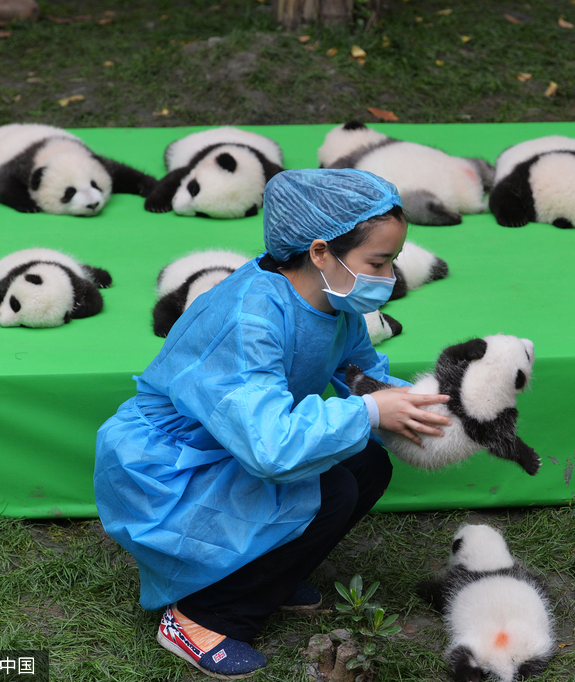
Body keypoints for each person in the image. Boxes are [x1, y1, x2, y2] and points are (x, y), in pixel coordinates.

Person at [93, 168, 451, 679]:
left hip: (236, 442)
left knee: (367, 464)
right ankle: (202, 617)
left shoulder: (334, 300)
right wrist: (372, 412)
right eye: (379, 261)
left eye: (392, 260)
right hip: (172, 468)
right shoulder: (251, 317)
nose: (389, 276)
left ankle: (266, 574)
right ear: (321, 251)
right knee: (330, 492)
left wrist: (411, 402)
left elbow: (358, 372)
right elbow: (270, 448)